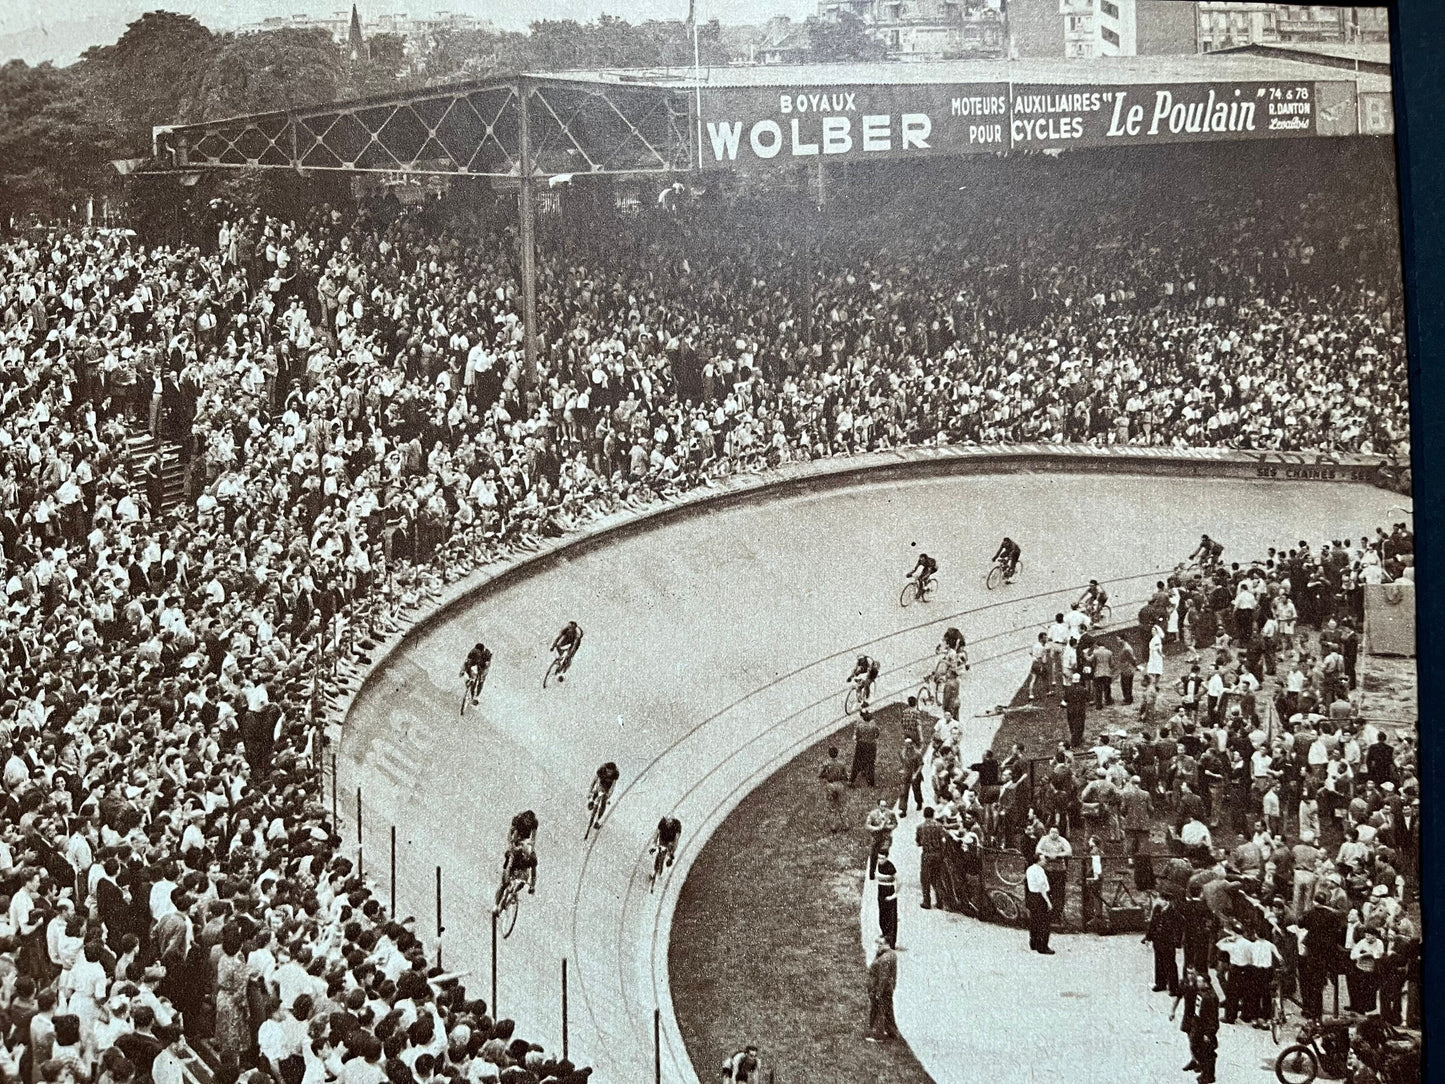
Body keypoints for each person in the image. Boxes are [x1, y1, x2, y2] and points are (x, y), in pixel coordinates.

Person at [865, 937, 899, 1043]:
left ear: (887, 944)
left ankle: (878, 1035)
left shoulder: (885, 959)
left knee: (879, 1011)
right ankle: (892, 1031)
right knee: (888, 1010)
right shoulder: (890, 955)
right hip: (887, 988)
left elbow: (883, 977)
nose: (878, 946)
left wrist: (878, 992)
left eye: (880, 944)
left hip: (881, 989)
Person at [495, 837, 536, 912]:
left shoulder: (533, 858)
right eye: (525, 855)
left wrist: (532, 886)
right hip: (512, 865)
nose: (527, 857)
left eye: (528, 856)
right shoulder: (516, 852)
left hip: (522, 869)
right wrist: (507, 878)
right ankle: (496, 905)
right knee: (504, 885)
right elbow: (508, 867)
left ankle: (513, 893)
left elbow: (533, 874)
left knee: (523, 880)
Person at [1025, 852, 1055, 954]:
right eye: (1043, 859)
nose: (1045, 861)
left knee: (1034, 920)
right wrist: (1048, 901)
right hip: (1039, 896)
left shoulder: (1029, 869)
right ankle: (1043, 946)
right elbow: (1042, 887)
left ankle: (1033, 942)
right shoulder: (1039, 871)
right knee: (1044, 922)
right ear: (1038, 861)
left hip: (1032, 895)